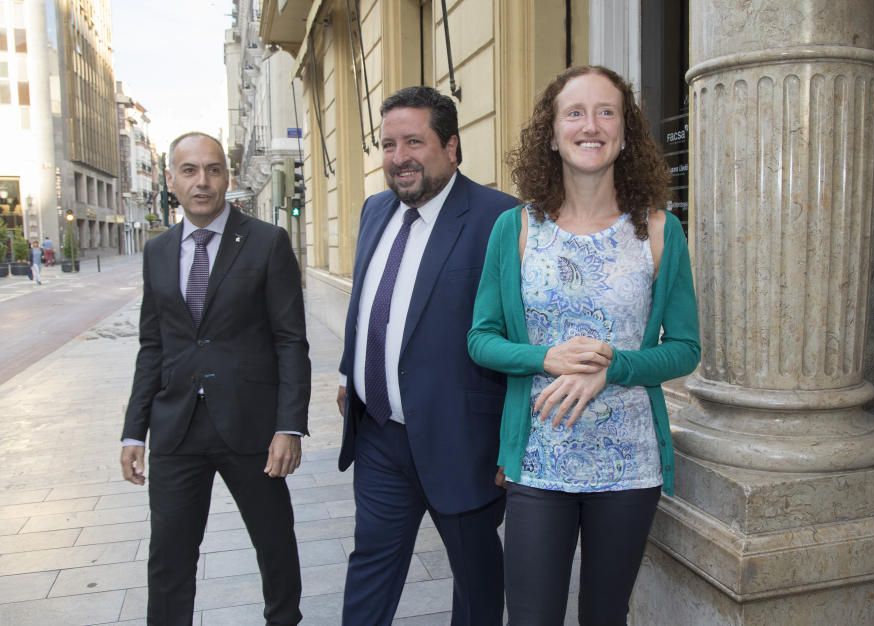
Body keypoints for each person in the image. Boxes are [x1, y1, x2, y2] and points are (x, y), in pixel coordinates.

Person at [467, 65, 701, 625]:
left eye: (606, 112)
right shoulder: (517, 229)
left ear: (625, 132)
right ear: (551, 133)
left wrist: (614, 367)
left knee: (604, 615)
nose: (590, 125)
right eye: (574, 112)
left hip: (629, 463)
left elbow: (685, 348)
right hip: (540, 462)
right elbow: (481, 339)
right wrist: (543, 357)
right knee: (530, 615)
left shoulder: (661, 230)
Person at [337, 86, 518, 626]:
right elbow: (370, 300)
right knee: (370, 564)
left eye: (414, 142)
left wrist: (513, 440)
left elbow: (518, 333)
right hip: (380, 437)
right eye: (389, 145)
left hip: (462, 441)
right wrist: (353, 371)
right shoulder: (375, 210)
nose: (399, 158)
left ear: (452, 147)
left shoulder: (500, 219)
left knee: (477, 581)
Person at [119, 132, 310, 625]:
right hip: (176, 428)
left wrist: (289, 426)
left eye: (212, 169)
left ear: (227, 176)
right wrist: (133, 430)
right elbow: (152, 345)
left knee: (274, 544)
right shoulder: (157, 252)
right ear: (170, 180)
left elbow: (291, 340)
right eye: (189, 171)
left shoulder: (268, 242)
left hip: (251, 428)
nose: (201, 181)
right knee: (168, 557)